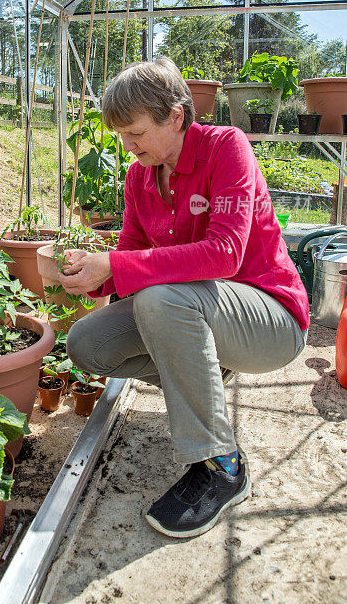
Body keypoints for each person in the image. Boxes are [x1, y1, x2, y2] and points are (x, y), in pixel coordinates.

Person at [59, 57, 309, 539]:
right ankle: (205, 368)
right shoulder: (140, 177)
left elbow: (225, 254)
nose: (127, 147)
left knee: (162, 301)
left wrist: (118, 267)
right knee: (87, 344)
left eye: (134, 133)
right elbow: (130, 255)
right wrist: (94, 276)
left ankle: (223, 466)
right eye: (121, 136)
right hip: (200, 313)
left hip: (271, 317)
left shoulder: (226, 148)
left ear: (175, 116)